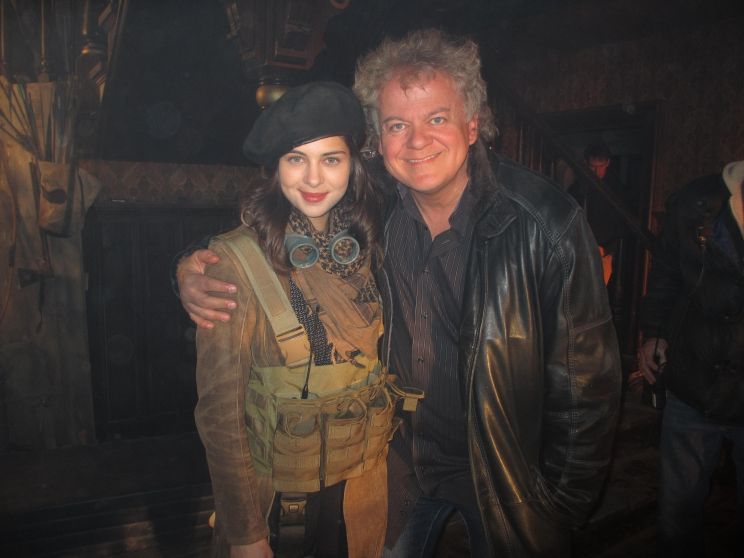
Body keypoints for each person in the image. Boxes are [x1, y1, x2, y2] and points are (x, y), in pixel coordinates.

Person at [178, 29, 621, 557]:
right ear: (378, 141)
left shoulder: (546, 225)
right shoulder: (374, 210)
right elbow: (276, 228)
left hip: (501, 475)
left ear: (472, 125)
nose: (416, 141)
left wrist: (561, 505)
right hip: (395, 466)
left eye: (436, 118)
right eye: (396, 125)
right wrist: (194, 263)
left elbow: (587, 384)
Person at [194, 81, 395, 558]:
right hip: (280, 507)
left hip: (362, 496)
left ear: (352, 165)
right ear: (275, 168)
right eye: (295, 158)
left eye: (331, 159)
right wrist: (245, 533)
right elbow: (220, 414)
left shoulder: (370, 247)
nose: (314, 178)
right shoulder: (236, 262)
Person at [638, 160, 744, 558]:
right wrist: (654, 332)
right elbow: (666, 273)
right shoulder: (696, 201)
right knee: (678, 518)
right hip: (693, 382)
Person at [568, 141, 625, 286]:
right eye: (592, 166)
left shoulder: (616, 190)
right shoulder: (577, 188)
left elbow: (620, 223)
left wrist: (606, 248)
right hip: (580, 250)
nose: (596, 172)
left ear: (608, 163)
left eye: (600, 166)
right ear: (586, 164)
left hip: (603, 251)